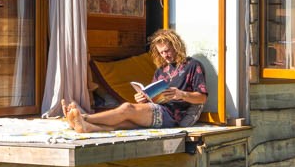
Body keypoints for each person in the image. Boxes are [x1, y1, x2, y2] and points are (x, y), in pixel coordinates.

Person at [63, 29, 208, 132]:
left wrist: (181, 94)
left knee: (127, 108)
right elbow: (154, 98)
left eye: (168, 50)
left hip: (172, 114)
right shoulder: (161, 70)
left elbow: (202, 97)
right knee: (123, 122)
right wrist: (143, 98)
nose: (165, 55)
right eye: (161, 52)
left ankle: (84, 118)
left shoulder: (192, 66)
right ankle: (86, 127)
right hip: (158, 109)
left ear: (177, 47)